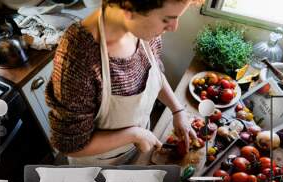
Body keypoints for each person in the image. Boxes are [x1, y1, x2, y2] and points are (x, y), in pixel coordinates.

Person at [45, 0, 202, 165]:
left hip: (140, 144)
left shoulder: (146, 33)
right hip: (99, 167)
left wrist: (178, 110)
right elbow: (70, 145)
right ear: (129, 7)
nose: (174, 27)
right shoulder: (79, 58)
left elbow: (155, 74)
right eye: (166, 19)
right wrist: (134, 134)